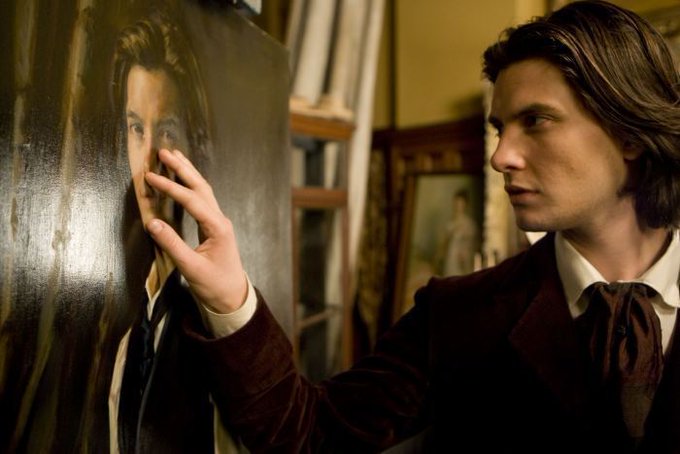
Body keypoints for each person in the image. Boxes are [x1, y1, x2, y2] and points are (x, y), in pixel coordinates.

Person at [143, 1, 680, 452]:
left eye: (535, 121)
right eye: (500, 128)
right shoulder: (460, 313)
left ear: (629, 133)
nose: (501, 156)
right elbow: (308, 434)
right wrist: (230, 298)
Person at [108, 10, 242, 453]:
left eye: (166, 131)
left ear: (193, 142)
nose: (149, 162)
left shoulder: (216, 331)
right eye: (136, 128)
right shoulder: (124, 340)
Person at [439, 189, 479, 276]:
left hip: (461, 259)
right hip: (450, 258)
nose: (458, 206)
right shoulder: (450, 223)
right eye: (456, 203)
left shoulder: (469, 224)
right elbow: (444, 244)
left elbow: (471, 245)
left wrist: (464, 254)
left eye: (461, 203)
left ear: (465, 205)